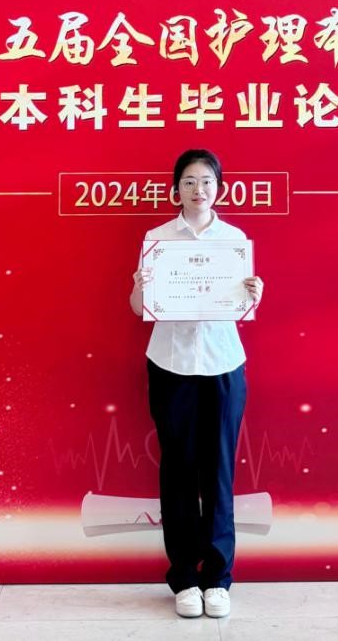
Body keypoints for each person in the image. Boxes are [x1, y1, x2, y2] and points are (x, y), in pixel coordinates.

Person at [129, 149, 264, 619]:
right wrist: (141, 286)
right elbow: (139, 307)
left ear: (218, 188)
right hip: (171, 364)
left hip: (224, 364)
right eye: (189, 181)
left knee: (219, 472)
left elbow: (241, 307)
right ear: (176, 190)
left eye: (206, 181)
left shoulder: (234, 240)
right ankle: (185, 577)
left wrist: (254, 295)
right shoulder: (158, 239)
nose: (198, 189)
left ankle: (218, 579)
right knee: (179, 472)